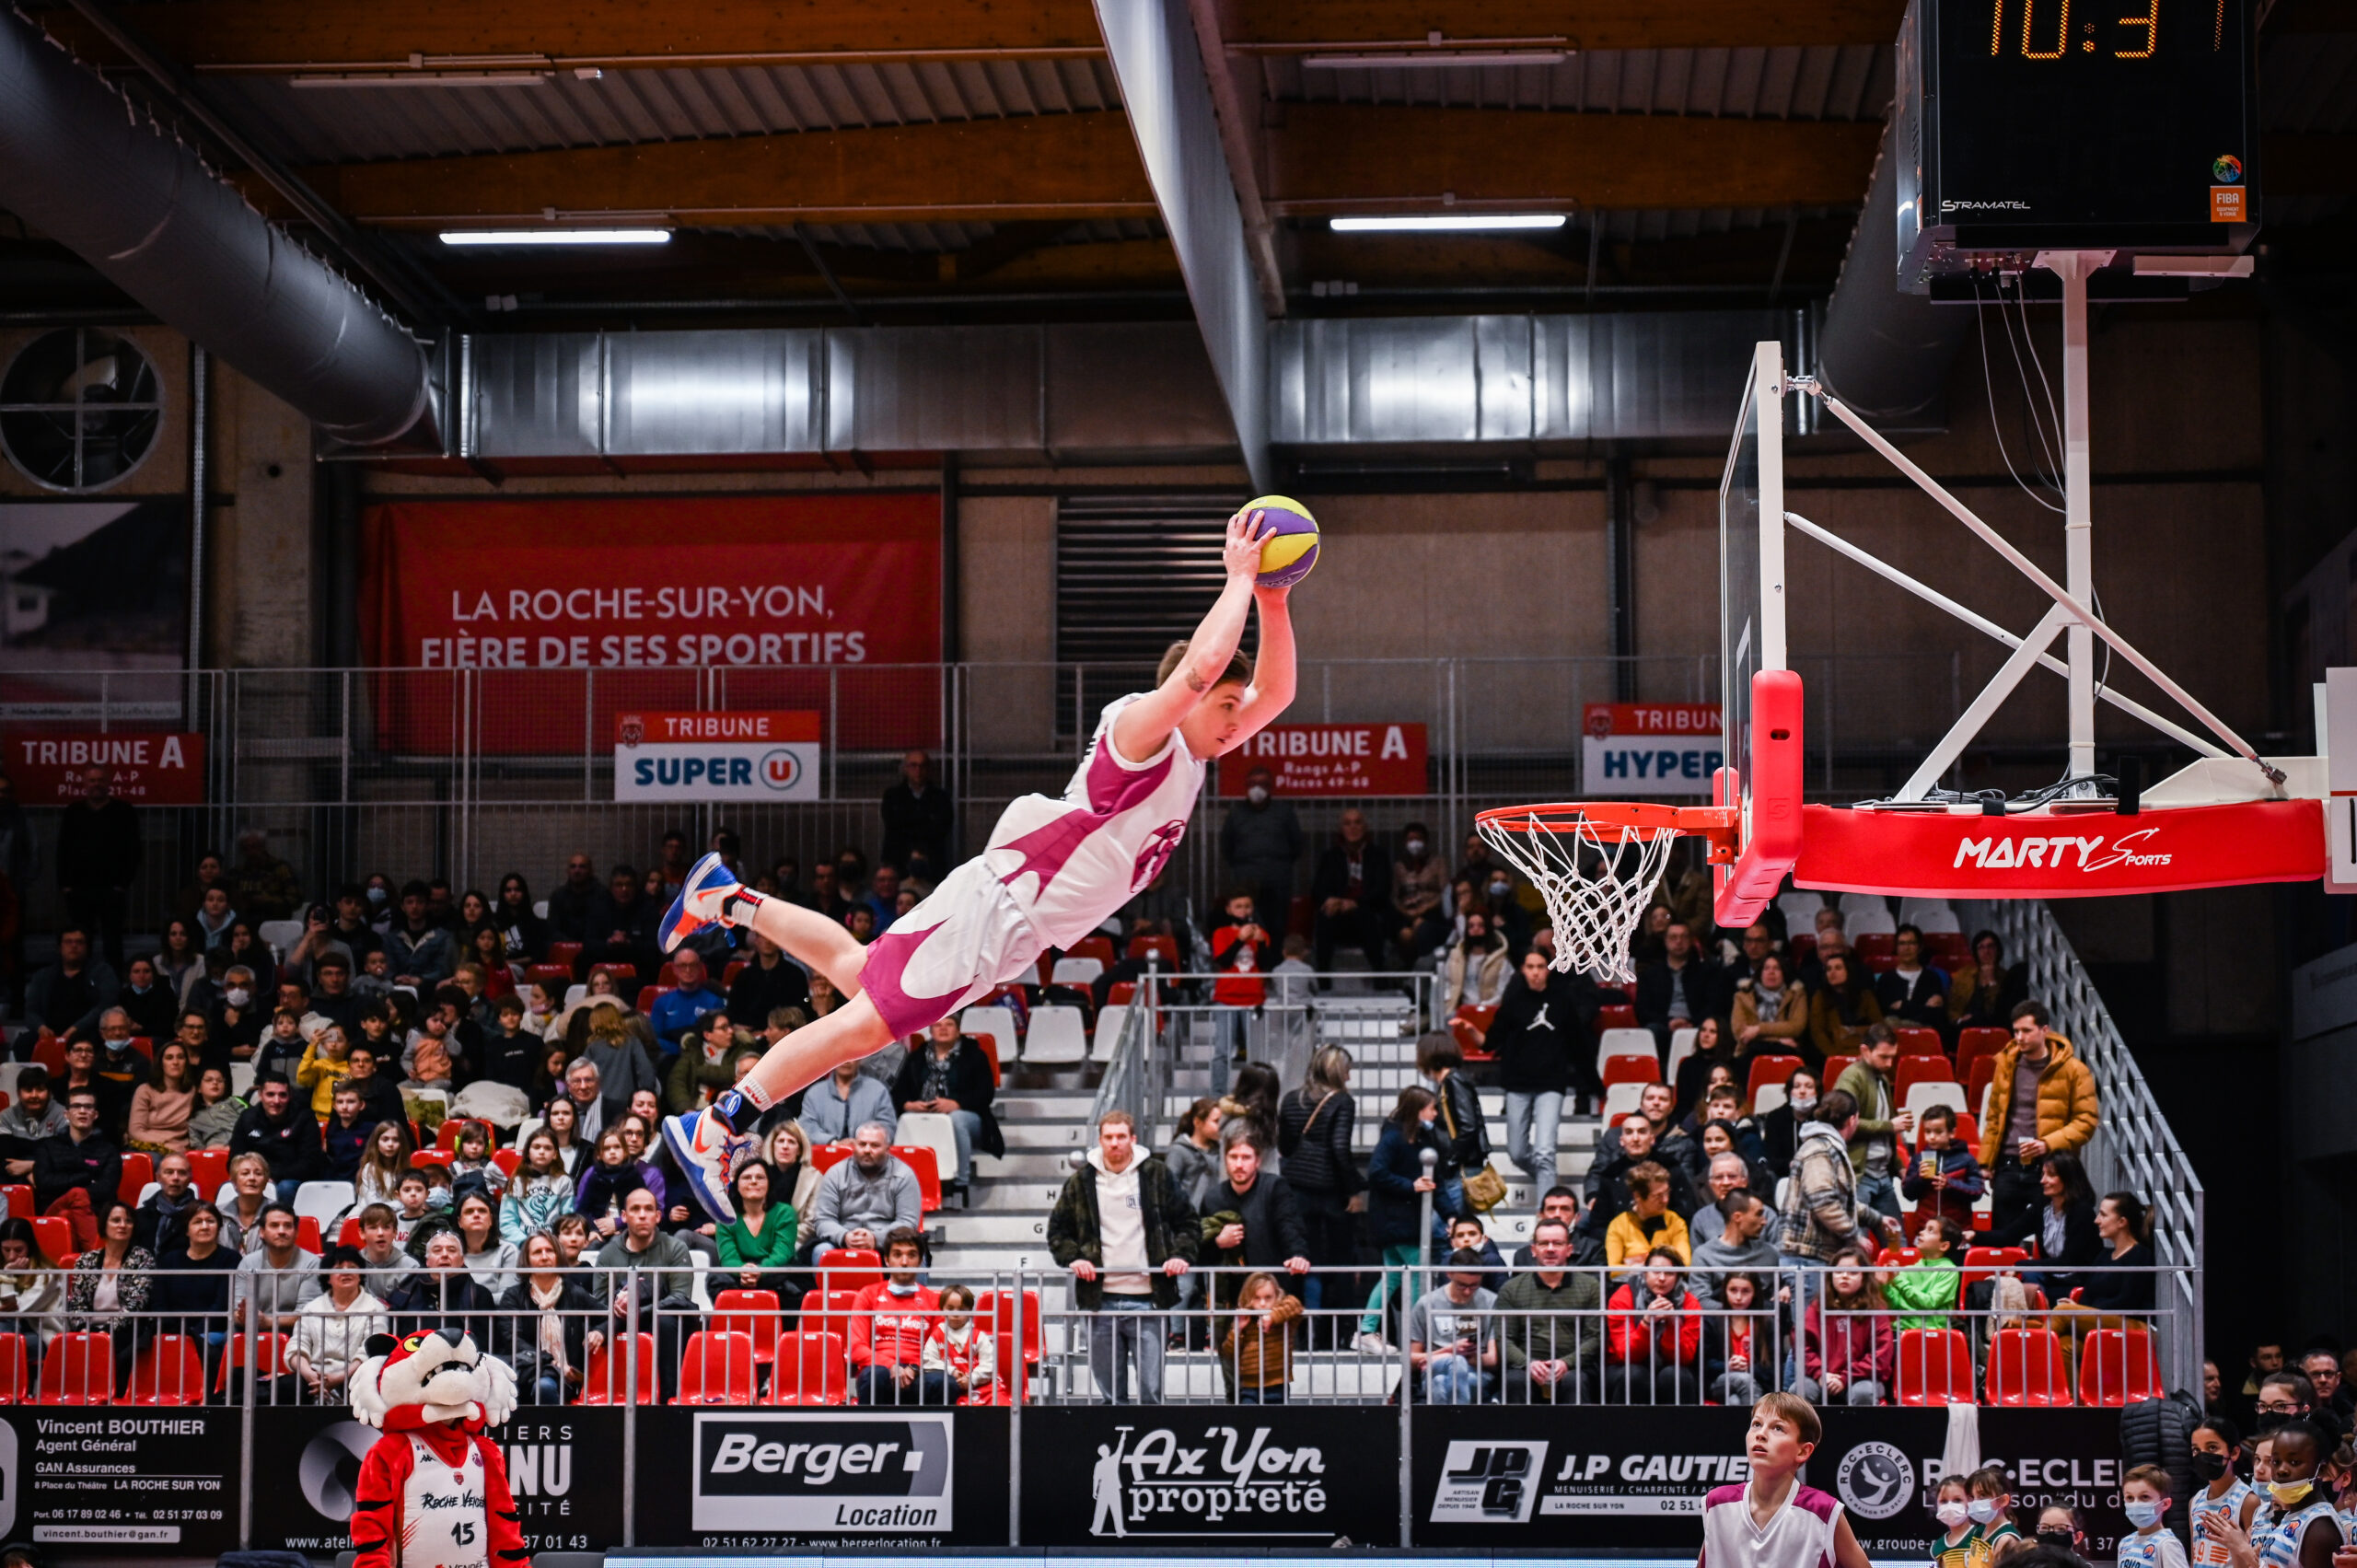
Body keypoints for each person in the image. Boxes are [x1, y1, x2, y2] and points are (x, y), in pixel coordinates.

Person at [661, 511, 1301, 1221]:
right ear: (1188, 698)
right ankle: (718, 1124)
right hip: (1004, 908)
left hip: (1011, 923)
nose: (1237, 719)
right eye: (1225, 705)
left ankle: (725, 897)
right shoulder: (1141, 730)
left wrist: (1273, 600)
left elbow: (1277, 694)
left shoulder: (1194, 754)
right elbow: (1201, 667)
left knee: (856, 970)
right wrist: (1239, 577)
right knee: (866, 1025)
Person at [1045, 1109, 1196, 1405]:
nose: (1115, 1143)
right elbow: (1057, 1231)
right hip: (1099, 1300)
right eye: (1109, 1137)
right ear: (1100, 1140)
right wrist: (1074, 1258)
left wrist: (1180, 1255)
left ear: (1133, 1139)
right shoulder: (1080, 1182)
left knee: (1152, 1392)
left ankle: (1151, 1435)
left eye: (1121, 1137)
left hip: (1150, 1299)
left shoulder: (1157, 1175)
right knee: (1111, 1395)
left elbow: (1188, 1222)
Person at [1699, 1392, 1875, 1568]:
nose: (1761, 1434)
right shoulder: (1716, 1504)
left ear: (1803, 1451)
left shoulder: (1824, 1512)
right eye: (1757, 1424)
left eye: (1778, 1428)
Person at [1980, 1002, 2099, 1246]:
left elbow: (2086, 1121)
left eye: (2026, 1030)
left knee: (2052, 1240)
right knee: (2003, 1240)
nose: (2019, 1037)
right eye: (2016, 1031)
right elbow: (1994, 1118)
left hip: (2050, 1167)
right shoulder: (2006, 1065)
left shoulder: (2074, 1070)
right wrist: (1986, 1162)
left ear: (2044, 1030)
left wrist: (2047, 1143)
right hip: (2008, 1164)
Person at [1478, 950, 1589, 1196]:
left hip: (1551, 1084)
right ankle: (1548, 1180)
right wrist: (1469, 1031)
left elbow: (1579, 1045)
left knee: (1545, 1152)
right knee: (1517, 1152)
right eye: (1530, 966)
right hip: (1517, 1084)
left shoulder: (1563, 1002)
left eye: (1540, 966)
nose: (1536, 972)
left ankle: (1546, 1211)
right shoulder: (1513, 1002)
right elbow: (1490, 1041)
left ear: (1548, 969)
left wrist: (1593, 1084)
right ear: (1523, 970)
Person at [1355, 1086, 1442, 1355]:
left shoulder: (1418, 1138)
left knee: (1391, 1277)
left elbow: (1433, 1182)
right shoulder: (1394, 1138)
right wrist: (1410, 1186)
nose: (1435, 1114)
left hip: (1396, 1222)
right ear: (1418, 1110)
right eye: (1432, 1108)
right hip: (1398, 1222)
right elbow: (1377, 1173)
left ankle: (1367, 1330)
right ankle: (1416, 1336)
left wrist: (1450, 1215)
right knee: (1416, 1276)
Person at [1198, 1123, 1311, 1319]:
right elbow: (1200, 1251)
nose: (1239, 1164)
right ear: (1225, 1159)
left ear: (1257, 1161)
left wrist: (1297, 1254)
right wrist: (1218, 1242)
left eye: (1246, 1157)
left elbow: (1289, 1226)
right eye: (1233, 1157)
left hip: (1274, 1292)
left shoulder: (1274, 1187)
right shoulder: (1212, 1198)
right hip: (1232, 1299)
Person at [1275, 1045, 1359, 1311]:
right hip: (1330, 1190)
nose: (1348, 1077)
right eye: (1346, 1070)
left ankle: (1303, 1320)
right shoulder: (1342, 1101)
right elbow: (1340, 1148)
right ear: (1337, 1071)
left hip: (1296, 1188)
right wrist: (1352, 1190)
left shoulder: (1291, 1099)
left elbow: (1285, 1146)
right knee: (1340, 1259)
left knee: (1303, 1257)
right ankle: (1341, 1322)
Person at [889, 1016, 1003, 1188]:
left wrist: (956, 1104)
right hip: (923, 1113)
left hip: (967, 1116)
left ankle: (961, 1181)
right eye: (938, 1025)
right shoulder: (916, 1057)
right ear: (930, 1031)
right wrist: (909, 1105)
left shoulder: (975, 1056)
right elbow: (898, 1091)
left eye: (949, 1024)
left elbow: (985, 1094)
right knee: (905, 1118)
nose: (943, 1028)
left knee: (956, 1119)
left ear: (958, 1031)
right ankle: (903, 1180)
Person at [1498, 1215, 1597, 1403]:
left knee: (1574, 1381)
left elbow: (1594, 1337)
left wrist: (1567, 1363)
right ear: (1533, 1250)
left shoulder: (1590, 1286)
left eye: (1557, 1243)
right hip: (1525, 1366)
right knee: (1514, 1381)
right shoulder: (1511, 1288)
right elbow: (1504, 1339)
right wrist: (1528, 1364)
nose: (1550, 1249)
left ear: (1569, 1249)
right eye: (1544, 1243)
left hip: (1575, 1367)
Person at [497, 1230, 602, 1406]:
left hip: (565, 1376)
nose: (544, 1257)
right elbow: (512, 1339)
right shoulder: (513, 1296)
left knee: (544, 1386)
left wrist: (600, 1331)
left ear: (558, 1256)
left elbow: (609, 1317)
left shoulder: (574, 1293)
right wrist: (551, 1362)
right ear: (527, 1259)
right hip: (526, 1370)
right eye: (537, 1252)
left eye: (549, 1251)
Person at [64, 1197, 155, 1392]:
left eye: (128, 1221)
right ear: (104, 1224)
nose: (123, 1225)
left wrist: (105, 1332)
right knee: (69, 1349)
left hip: (126, 1332)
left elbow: (135, 1304)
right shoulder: (86, 1261)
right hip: (88, 1331)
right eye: (116, 1220)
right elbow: (77, 1301)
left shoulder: (142, 1258)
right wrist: (83, 1328)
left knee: (114, 1352)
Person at [13, 1085, 121, 1249]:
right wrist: (86, 1177)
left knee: (68, 1213)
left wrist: (69, 1186)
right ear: (66, 1114)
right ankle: (97, 1257)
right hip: (53, 1207)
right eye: (76, 1106)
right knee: (76, 1195)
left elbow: (107, 1189)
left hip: (94, 1211)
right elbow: (44, 1184)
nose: (82, 1111)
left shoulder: (109, 1150)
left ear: (95, 1114)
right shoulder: (48, 1146)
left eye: (88, 1107)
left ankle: (76, 1262)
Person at [849, 1227, 946, 1405]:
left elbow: (939, 1350)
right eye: (897, 1254)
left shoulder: (934, 1300)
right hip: (880, 1371)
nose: (904, 1262)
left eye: (911, 1255)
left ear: (920, 1261)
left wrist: (914, 1369)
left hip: (919, 1373)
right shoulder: (868, 1295)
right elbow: (856, 1348)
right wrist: (890, 1365)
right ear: (887, 1260)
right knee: (875, 1375)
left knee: (944, 1383)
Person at [56, 768, 140, 969]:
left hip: (112, 889)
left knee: (113, 942)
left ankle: (113, 982)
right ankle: (81, 981)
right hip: (78, 889)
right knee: (80, 942)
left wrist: (123, 883)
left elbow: (134, 849)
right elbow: (62, 849)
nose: (96, 784)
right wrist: (65, 884)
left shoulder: (124, 811)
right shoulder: (73, 811)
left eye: (100, 780)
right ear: (84, 784)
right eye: (92, 780)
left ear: (109, 783)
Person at [285, 1246, 388, 1405]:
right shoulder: (311, 1308)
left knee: (365, 1385)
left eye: (352, 1267)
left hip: (355, 1374)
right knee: (286, 1387)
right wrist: (310, 1376)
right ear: (328, 1277)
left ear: (360, 1274)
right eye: (339, 1268)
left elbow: (372, 1350)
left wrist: (340, 1377)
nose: (346, 1273)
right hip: (314, 1375)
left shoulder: (375, 1308)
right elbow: (297, 1347)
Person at [1834, 1025, 1914, 1219]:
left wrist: (1899, 1166)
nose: (1889, 1063)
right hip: (1859, 1175)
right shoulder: (1851, 1077)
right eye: (1883, 1057)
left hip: (1882, 1174)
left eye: (1892, 1057)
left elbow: (1887, 1131)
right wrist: (1890, 1126)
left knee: (1896, 1234)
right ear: (1865, 1051)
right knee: (1857, 1234)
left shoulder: (1882, 1079)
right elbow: (1844, 1122)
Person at [1604, 1246, 1701, 1405]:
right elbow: (1626, 1355)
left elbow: (1684, 1358)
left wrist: (1672, 1323)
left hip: (1672, 1367)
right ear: (1645, 1273)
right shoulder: (1623, 1297)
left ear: (1678, 1277)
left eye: (1669, 1273)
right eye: (1655, 1271)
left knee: (1675, 1375)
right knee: (1635, 1375)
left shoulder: (1690, 1303)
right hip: (1624, 1367)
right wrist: (1647, 1323)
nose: (1662, 1278)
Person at [1796, 1248, 1894, 1406]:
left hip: (1862, 1378)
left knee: (1863, 1393)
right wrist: (1820, 1373)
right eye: (1838, 1271)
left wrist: (1845, 1377)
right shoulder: (1817, 1307)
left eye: (1853, 1272)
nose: (1844, 1276)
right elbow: (1802, 1346)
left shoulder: (1876, 1309)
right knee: (1799, 1389)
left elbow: (1881, 1354)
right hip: (1823, 1376)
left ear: (1864, 1277)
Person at [808, 1122, 921, 1259]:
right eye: (862, 1144)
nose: (867, 1150)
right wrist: (844, 1236)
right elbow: (823, 1219)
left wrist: (876, 1238)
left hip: (890, 1242)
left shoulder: (904, 1175)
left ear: (887, 1149)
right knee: (821, 1251)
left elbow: (908, 1222)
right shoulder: (835, 1174)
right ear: (854, 1146)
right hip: (843, 1239)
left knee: (913, 1256)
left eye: (875, 1145)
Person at [1222, 766, 1306, 940]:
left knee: (1277, 926)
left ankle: (1275, 957)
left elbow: (1297, 844)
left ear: (1270, 787)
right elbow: (1226, 846)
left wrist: (1280, 864)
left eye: (1262, 784)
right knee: (1247, 925)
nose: (1257, 788)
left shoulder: (1284, 812)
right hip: (1246, 880)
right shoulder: (1236, 814)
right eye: (1253, 784)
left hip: (1278, 879)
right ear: (1246, 786)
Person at [1309, 806, 1393, 974]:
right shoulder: (1330, 856)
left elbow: (1382, 890)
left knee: (1367, 916)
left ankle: (1381, 979)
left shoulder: (1378, 855)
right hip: (1338, 915)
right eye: (1347, 823)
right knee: (1324, 919)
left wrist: (1355, 903)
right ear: (1341, 829)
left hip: (1368, 912)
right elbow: (1317, 890)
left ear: (1365, 827)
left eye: (1357, 822)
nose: (1353, 827)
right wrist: (1331, 900)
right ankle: (1323, 980)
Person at [1410, 1247, 1498, 1404]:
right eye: (1461, 1285)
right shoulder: (1427, 1303)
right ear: (1449, 1274)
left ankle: (1444, 1419)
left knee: (1441, 1382)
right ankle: (1459, 1416)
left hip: (1475, 1371)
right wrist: (1449, 1352)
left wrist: (1464, 1356)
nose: (1467, 1291)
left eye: (1474, 1285)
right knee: (1456, 1363)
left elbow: (1492, 1359)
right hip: (1436, 1366)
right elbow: (1411, 1359)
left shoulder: (1491, 1302)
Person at [1420, 1034, 1487, 1229]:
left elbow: (1468, 1126)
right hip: (1459, 1165)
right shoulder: (1450, 1081)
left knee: (1443, 1229)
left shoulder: (1454, 1081)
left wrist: (1451, 1159)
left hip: (1460, 1168)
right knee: (1451, 1227)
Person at [2016, 1150, 2101, 1299]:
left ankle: (2042, 1310)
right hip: (2052, 1278)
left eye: (2050, 1175)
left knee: (2030, 1275)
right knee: (2027, 1278)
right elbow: (2009, 1234)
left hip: (2079, 1281)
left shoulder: (2082, 1211)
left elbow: (2068, 1262)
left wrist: (2022, 1264)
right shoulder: (2043, 1206)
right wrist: (1975, 1235)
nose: (2042, 1181)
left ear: (2068, 1178)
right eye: (2043, 1174)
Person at [228, 1074, 324, 1202]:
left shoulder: (305, 1117)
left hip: (291, 1179)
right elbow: (235, 1158)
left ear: (290, 1095)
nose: (276, 1101)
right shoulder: (247, 1118)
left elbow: (309, 1163)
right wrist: (257, 1175)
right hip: (255, 1175)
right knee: (227, 1187)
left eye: (282, 1095)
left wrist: (271, 1176)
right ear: (260, 1095)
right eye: (270, 1094)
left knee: (285, 1188)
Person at [715, 1158, 799, 1306]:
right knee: (716, 1281)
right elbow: (728, 1258)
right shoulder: (725, 1216)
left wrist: (760, 1271)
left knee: (790, 1285)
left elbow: (782, 1254)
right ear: (737, 1185)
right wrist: (742, 1271)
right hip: (739, 1275)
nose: (753, 1181)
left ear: (769, 1183)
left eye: (760, 1177)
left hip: (774, 1273)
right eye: (747, 1177)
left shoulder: (785, 1212)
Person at [1637, 921, 1721, 1066]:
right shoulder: (1651, 974)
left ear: (1691, 941)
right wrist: (1668, 1022)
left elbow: (1714, 1004)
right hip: (1663, 1025)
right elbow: (1642, 1010)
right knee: (1652, 1031)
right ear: (1665, 941)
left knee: (1713, 1029)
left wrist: (1691, 1022)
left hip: (1697, 1024)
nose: (1678, 941)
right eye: (1673, 937)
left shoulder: (1707, 972)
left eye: (1684, 937)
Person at [232, 1204, 321, 1333]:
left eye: (288, 1226)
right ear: (262, 1232)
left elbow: (307, 1314)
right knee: (230, 1334)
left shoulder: (312, 1264)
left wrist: (268, 1322)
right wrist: (243, 1317)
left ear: (296, 1232)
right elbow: (236, 1310)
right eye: (274, 1225)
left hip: (295, 1332)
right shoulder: (248, 1263)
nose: (281, 1231)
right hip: (252, 1329)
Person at [1217, 1270, 1302, 1404]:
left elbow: (1295, 1304)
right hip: (1249, 1386)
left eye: (1268, 1297)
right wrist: (1238, 1329)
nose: (1262, 1303)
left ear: (1277, 1296)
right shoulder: (1245, 1318)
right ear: (1248, 1298)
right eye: (1257, 1298)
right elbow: (1229, 1352)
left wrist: (1273, 1317)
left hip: (1277, 1384)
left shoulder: (1283, 1319)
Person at [23, 927, 119, 1043]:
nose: (74, 946)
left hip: (89, 1033)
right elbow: (30, 1011)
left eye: (79, 942)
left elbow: (106, 1005)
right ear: (59, 947)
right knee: (24, 1042)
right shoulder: (43, 976)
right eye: (68, 942)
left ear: (87, 947)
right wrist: (40, 1027)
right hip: (50, 1034)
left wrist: (77, 1028)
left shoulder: (102, 972)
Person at [1901, 1104, 1986, 1231]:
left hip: (1958, 1230)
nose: (1932, 1137)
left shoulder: (1966, 1160)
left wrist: (1950, 1184)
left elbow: (1977, 1192)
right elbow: (1908, 1194)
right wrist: (1919, 1178)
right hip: (1926, 1229)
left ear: (1952, 1133)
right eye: (1928, 1131)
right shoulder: (1919, 1159)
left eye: (1938, 1132)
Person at [1692, 1189, 1782, 1307]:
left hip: (1763, 1318)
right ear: (1737, 1217)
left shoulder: (1770, 1253)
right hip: (1720, 1319)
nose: (1764, 1222)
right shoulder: (1704, 1256)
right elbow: (1699, 1301)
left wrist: (1786, 1288)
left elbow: (1789, 1285)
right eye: (1759, 1214)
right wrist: (1736, 1313)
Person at [2189, 1416, 2261, 1561]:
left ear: (2234, 1453)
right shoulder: (2195, 1501)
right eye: (2196, 1449)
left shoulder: (2248, 1501)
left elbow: (2255, 1560)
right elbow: (2194, 1556)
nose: (2203, 1455)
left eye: (2212, 1448)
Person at [1606, 1160, 1692, 1273]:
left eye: (1667, 1192)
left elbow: (1684, 1264)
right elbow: (1613, 1269)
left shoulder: (1675, 1222)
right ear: (1637, 1196)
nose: (1665, 1200)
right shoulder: (1618, 1225)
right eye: (1658, 1196)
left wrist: (1641, 1265)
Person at [1885, 1214, 1965, 1330]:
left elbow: (1929, 1303)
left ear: (1944, 1246)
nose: (1921, 1233)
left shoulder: (1949, 1271)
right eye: (1924, 1228)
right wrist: (1885, 1285)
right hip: (1903, 1329)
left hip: (1932, 1332)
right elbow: (1897, 1305)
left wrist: (1898, 1280)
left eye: (1930, 1230)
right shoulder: (1910, 1269)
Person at [922, 1283, 997, 1405]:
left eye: (961, 1309)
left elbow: (989, 1365)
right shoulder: (937, 1335)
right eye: (950, 1308)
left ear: (970, 1311)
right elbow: (928, 1361)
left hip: (978, 1389)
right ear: (942, 1309)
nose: (956, 1314)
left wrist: (971, 1379)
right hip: (949, 1390)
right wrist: (952, 1371)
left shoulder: (979, 1337)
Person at [1708, 1271, 1772, 1408]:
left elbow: (1774, 1367)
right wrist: (1728, 1366)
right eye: (1733, 1290)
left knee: (1735, 1402)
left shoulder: (1766, 1322)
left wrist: (1748, 1368)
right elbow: (1705, 1364)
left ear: (1755, 1293)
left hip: (1757, 1383)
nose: (1738, 1297)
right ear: (1725, 1291)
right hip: (1721, 1382)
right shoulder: (1712, 1320)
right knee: (1743, 1379)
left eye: (1745, 1291)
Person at [800, 1059, 897, 1147]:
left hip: (868, 1155)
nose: (846, 1061)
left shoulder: (878, 1090)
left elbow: (888, 1127)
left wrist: (862, 1142)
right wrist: (833, 1142)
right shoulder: (815, 1093)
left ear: (860, 1059)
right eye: (842, 1056)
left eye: (851, 1057)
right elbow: (806, 1127)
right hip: (824, 1155)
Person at [1810, 952, 1885, 1062]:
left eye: (1838, 968)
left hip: (1865, 1052)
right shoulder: (1820, 997)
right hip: (1835, 1052)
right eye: (1828, 969)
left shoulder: (1865, 996)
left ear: (1849, 971)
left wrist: (1870, 1054)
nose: (1832, 973)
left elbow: (1879, 1027)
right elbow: (1818, 1032)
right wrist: (1835, 1056)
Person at [1951, 931, 2030, 1031]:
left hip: (1994, 1025)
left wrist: (1991, 981)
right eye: (1981, 947)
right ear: (1975, 952)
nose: (1986, 951)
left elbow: (1998, 1011)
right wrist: (1959, 1020)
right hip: (1965, 1025)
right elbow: (1953, 1007)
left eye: (1991, 946)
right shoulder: (1964, 975)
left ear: (1998, 950)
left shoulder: (2007, 977)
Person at [2117, 1464, 2190, 1568]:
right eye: (2130, 1498)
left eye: (2145, 1497)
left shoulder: (2167, 1544)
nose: (2136, 1504)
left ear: (2165, 1504)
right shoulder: (2125, 1543)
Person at [1443, 912, 1510, 1015]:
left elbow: (1503, 991)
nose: (1475, 929)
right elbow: (1446, 982)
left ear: (1488, 929)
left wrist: (1483, 1007)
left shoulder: (1500, 961)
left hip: (1490, 1012)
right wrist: (1448, 1000)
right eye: (1471, 926)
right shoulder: (1456, 957)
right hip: (1460, 1012)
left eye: (1480, 925)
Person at [0, 1064, 64, 1140]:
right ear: (18, 1094)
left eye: (40, 1090)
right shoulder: (6, 1117)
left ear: (49, 1093)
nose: (34, 1095)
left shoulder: (62, 1115)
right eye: (28, 1090)